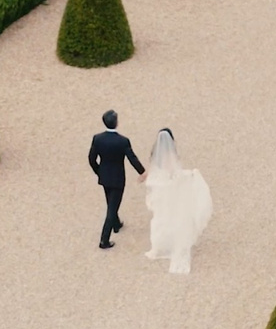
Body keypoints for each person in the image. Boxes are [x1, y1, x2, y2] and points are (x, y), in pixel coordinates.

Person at [142, 127, 213, 274]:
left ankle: (157, 247)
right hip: (168, 188)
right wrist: (190, 175)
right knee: (169, 216)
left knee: (159, 218)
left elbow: (154, 170)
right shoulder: (169, 154)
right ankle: (168, 243)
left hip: (159, 188)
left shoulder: (155, 153)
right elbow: (174, 173)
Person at [89, 110, 145, 249]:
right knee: (112, 207)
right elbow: (132, 158)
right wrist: (142, 171)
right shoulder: (122, 141)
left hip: (105, 177)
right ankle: (104, 239)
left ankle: (116, 223)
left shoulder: (98, 138)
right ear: (116, 123)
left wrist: (99, 171)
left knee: (110, 200)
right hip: (118, 177)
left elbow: (91, 159)